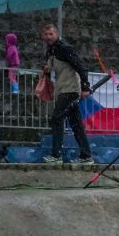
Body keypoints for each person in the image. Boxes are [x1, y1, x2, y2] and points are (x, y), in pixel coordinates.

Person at [40, 24, 94, 164]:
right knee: (76, 124)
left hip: (70, 90)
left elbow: (81, 67)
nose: (48, 37)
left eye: (51, 34)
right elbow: (51, 67)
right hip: (63, 90)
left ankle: (56, 155)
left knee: (56, 118)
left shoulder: (65, 49)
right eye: (46, 34)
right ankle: (86, 155)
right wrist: (46, 69)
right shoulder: (51, 51)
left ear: (57, 34)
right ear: (42, 36)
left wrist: (85, 87)